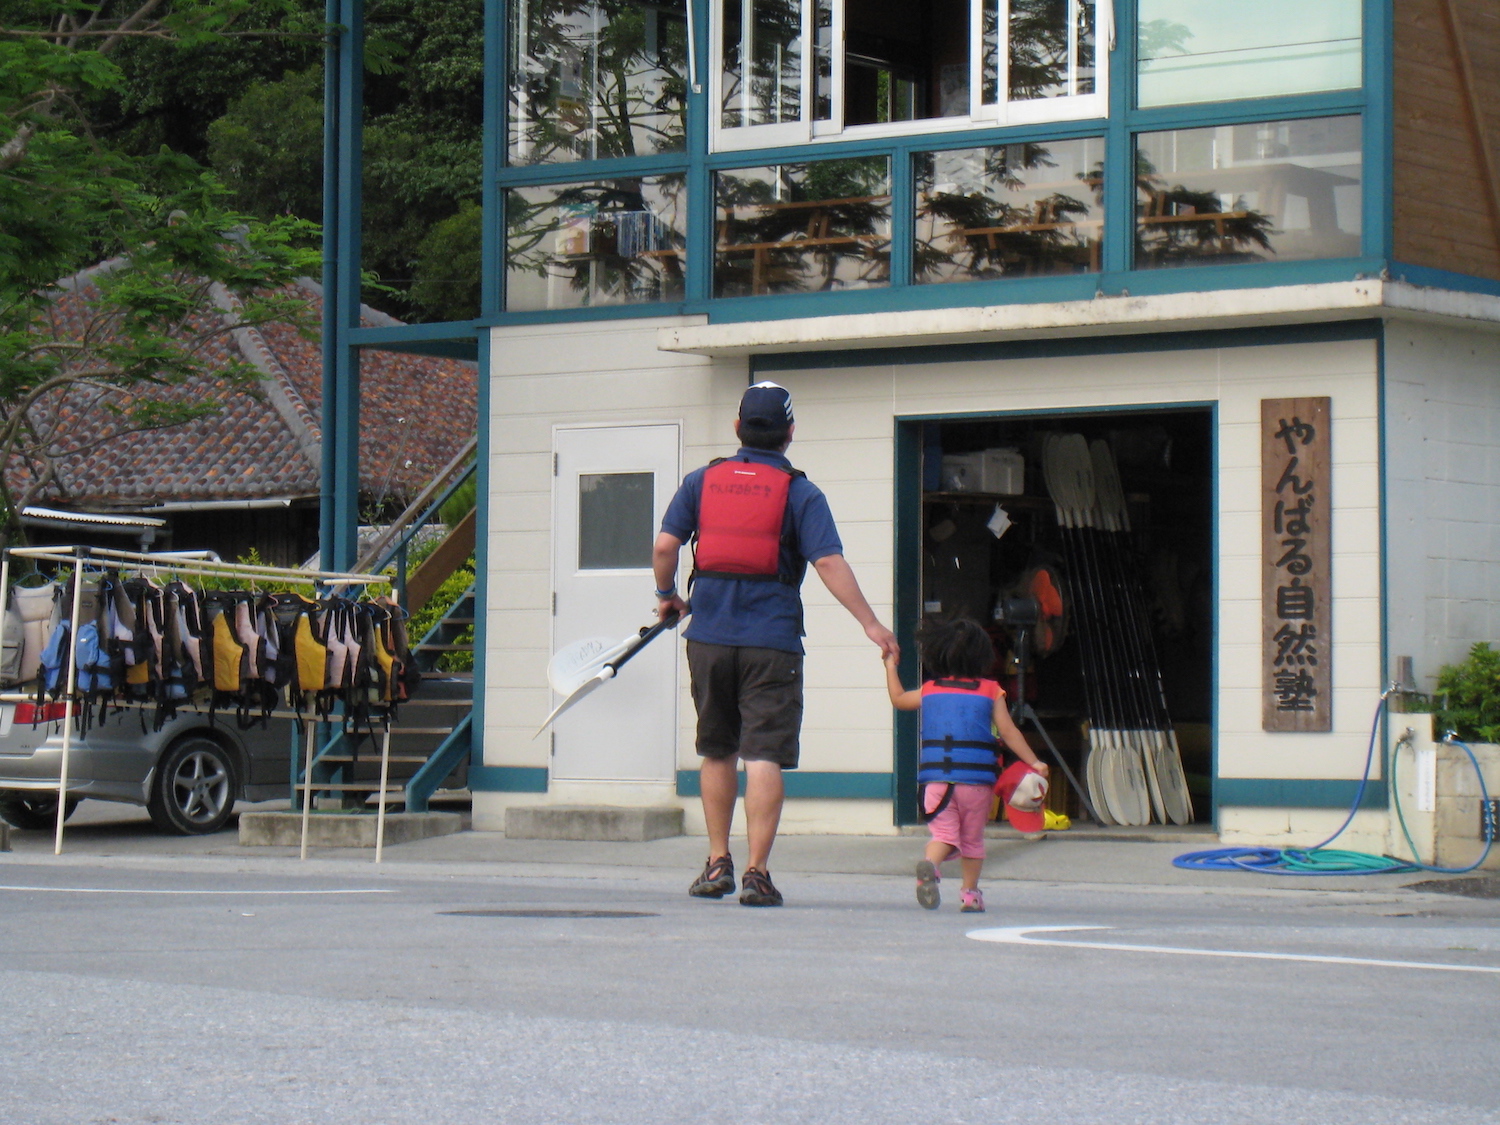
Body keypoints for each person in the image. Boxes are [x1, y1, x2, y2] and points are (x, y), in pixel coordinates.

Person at [654, 381, 899, 907]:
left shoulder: (701, 482)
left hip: (709, 638)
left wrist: (667, 595)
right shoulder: (801, 493)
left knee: (717, 749)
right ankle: (756, 873)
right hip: (773, 641)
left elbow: (665, 545)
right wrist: (871, 625)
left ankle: (716, 861)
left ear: (738, 427)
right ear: (790, 433)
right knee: (762, 754)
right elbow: (828, 563)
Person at [884, 615, 1049, 913]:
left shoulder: (930, 689)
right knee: (972, 841)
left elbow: (898, 699)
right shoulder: (990, 690)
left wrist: (890, 666)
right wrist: (1034, 762)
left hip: (936, 783)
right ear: (984, 656)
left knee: (944, 836)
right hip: (976, 783)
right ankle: (970, 895)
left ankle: (932, 866)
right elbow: (1009, 732)